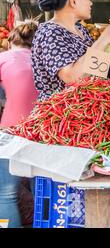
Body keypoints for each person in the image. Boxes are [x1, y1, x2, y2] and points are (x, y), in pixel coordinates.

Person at [32, 0, 110, 100]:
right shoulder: (50, 33)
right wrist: (103, 40)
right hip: (62, 113)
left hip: (87, 107)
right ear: (73, 1)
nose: (91, 3)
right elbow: (71, 77)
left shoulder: (80, 30)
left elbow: (94, 69)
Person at [0, 21, 39, 228]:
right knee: (40, 191)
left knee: (6, 194)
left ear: (10, 41)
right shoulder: (46, 61)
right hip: (44, 133)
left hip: (12, 131)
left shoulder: (3, 58)